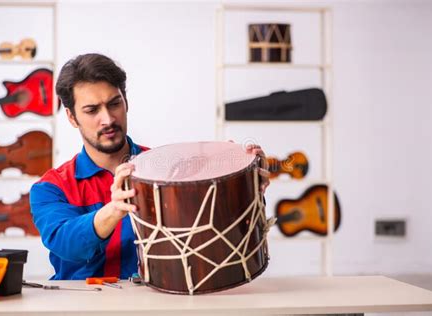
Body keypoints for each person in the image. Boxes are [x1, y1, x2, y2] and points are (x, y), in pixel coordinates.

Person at [30, 53, 269, 280]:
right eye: (92, 110)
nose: (108, 119)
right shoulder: (50, 188)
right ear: (72, 117)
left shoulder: (167, 169)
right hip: (80, 306)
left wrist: (242, 183)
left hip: (156, 303)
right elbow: (65, 243)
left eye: (114, 104)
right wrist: (114, 210)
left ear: (126, 102)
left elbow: (206, 231)